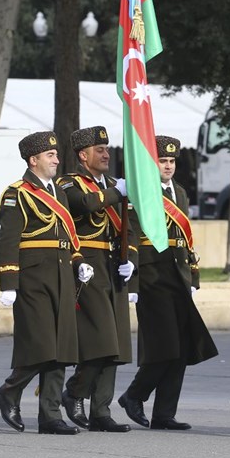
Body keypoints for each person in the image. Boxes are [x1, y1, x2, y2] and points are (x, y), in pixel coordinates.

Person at [0, 131, 91, 435]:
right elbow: (7, 241)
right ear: (34, 160)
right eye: (50, 156)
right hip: (32, 278)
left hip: (61, 275)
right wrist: (8, 281)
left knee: (61, 348)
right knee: (41, 345)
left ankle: (50, 416)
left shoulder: (58, 193)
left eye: (57, 155)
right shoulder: (18, 193)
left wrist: (79, 261)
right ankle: (9, 391)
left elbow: (65, 237)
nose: (57, 160)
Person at [118, 135, 217, 431]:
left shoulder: (181, 193)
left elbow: (185, 240)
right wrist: (133, 281)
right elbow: (132, 235)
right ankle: (134, 395)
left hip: (176, 274)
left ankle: (164, 413)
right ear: (151, 163)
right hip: (151, 273)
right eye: (163, 160)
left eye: (172, 161)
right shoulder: (140, 192)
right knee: (166, 344)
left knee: (182, 345)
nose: (169, 166)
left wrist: (193, 275)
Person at [57, 126, 138, 433]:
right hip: (86, 266)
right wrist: (118, 192)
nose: (106, 154)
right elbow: (86, 204)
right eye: (100, 150)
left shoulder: (117, 185)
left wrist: (129, 258)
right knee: (101, 339)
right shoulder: (69, 183)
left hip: (113, 265)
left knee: (116, 344)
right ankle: (74, 392)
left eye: (107, 149)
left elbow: (131, 229)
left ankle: (101, 410)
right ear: (83, 155)